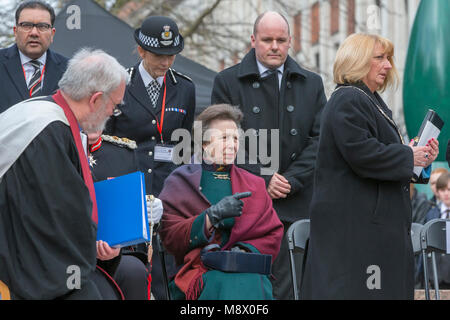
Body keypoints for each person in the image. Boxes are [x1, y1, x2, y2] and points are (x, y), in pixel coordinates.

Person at [301, 33, 440, 300]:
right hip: (356, 234)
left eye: (388, 58)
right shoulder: (348, 99)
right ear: (357, 60)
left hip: (371, 230)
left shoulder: (369, 101)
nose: (388, 65)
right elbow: (362, 153)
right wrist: (409, 155)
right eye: (380, 58)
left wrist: (419, 158)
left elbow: (378, 156)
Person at [210, 11, 326, 300]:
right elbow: (223, 140)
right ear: (253, 41)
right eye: (267, 40)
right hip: (248, 202)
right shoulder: (227, 82)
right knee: (249, 288)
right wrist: (263, 177)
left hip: (297, 201)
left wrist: (291, 179)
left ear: (290, 42)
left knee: (292, 288)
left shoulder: (312, 84)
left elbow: (319, 141)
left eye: (281, 40)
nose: (274, 46)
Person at [0, 48, 128, 299]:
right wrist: (100, 243)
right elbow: (59, 221)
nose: (113, 113)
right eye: (114, 105)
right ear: (95, 100)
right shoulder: (50, 131)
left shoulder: (37, 109)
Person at [104, 15, 195, 299]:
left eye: (172, 56)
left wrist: (176, 193)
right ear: (141, 51)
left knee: (165, 274)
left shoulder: (186, 88)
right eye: (158, 55)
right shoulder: (120, 84)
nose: (166, 63)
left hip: (167, 191)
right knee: (131, 271)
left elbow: (182, 145)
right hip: (128, 189)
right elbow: (107, 144)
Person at [159, 104, 284, 300]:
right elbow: (169, 235)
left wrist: (243, 251)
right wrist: (210, 218)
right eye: (224, 138)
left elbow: (272, 232)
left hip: (247, 268)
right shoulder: (180, 181)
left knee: (250, 281)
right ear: (204, 143)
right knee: (223, 282)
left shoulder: (255, 183)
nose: (232, 145)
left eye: (235, 138)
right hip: (199, 270)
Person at [89, 133, 164, 300]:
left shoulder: (122, 153)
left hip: (116, 250)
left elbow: (129, 210)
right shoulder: (60, 148)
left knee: (134, 271)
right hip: (72, 249)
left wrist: (145, 212)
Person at [0, 0, 68, 113]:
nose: (34, 33)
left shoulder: (69, 70)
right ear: (15, 32)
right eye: (26, 25)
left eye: (42, 26)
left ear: (52, 34)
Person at [421, 172, 450, 289]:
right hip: (436, 276)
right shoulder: (431, 214)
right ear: (437, 192)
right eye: (443, 190)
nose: (446, 193)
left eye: (449, 189)